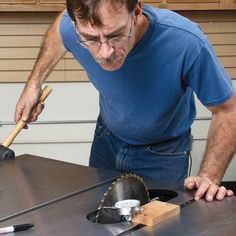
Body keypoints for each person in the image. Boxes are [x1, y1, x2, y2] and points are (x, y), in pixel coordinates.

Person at [15, 0, 236, 201]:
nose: (105, 52)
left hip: (163, 153)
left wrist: (209, 176)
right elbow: (59, 28)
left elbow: (228, 110)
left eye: (116, 35)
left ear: (137, 11)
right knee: (98, 221)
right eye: (91, 39)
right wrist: (33, 83)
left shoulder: (186, 42)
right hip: (107, 141)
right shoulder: (71, 26)